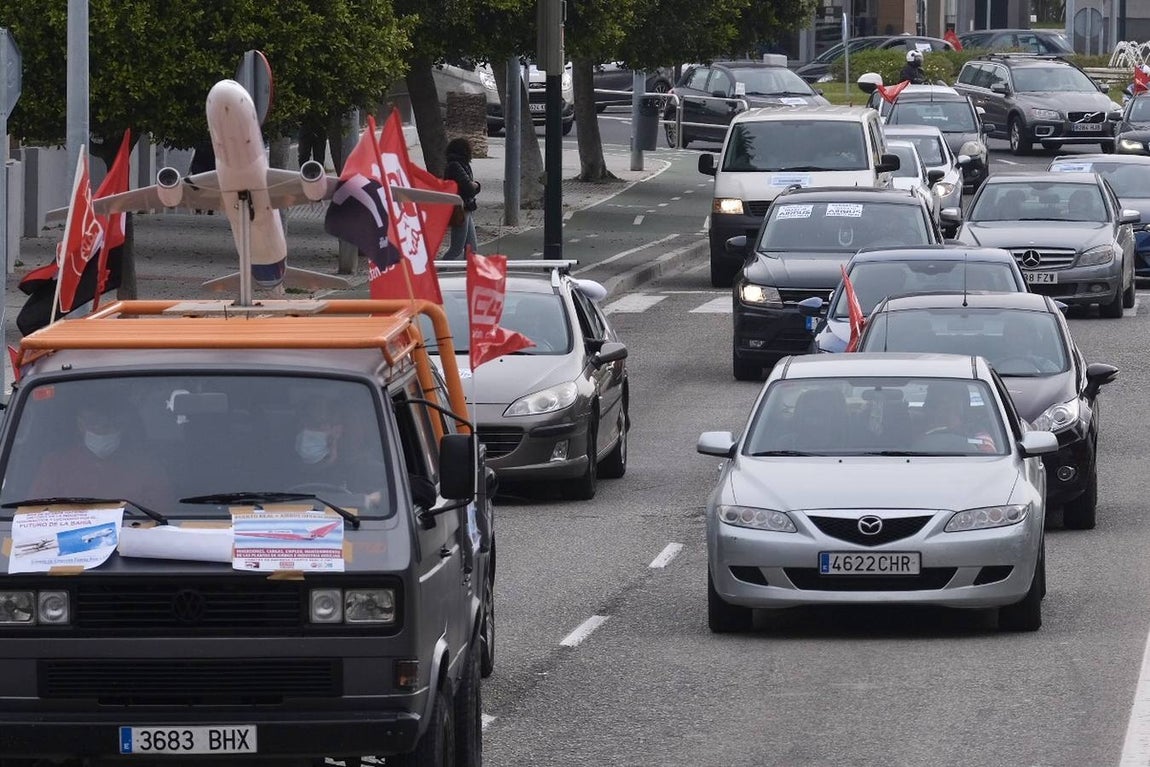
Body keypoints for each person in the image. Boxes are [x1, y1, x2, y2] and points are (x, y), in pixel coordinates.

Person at [28, 403, 174, 509]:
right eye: (96, 425)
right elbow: (35, 512)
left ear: (123, 427)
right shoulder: (56, 464)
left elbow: (160, 514)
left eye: (113, 426)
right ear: (81, 425)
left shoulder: (146, 466)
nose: (105, 431)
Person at [288, 399, 388, 510]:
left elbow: (392, 496)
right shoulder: (283, 469)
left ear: (339, 430)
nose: (306, 431)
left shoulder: (370, 471)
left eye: (317, 425)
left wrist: (370, 500)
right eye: (303, 425)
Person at [442, 138, 481, 260]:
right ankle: (437, 272)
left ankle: (470, 275)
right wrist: (476, 185)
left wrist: (475, 185)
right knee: (456, 249)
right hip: (461, 208)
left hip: (465, 207)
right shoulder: (456, 165)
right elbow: (469, 188)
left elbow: (469, 186)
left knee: (472, 249)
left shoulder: (459, 164)